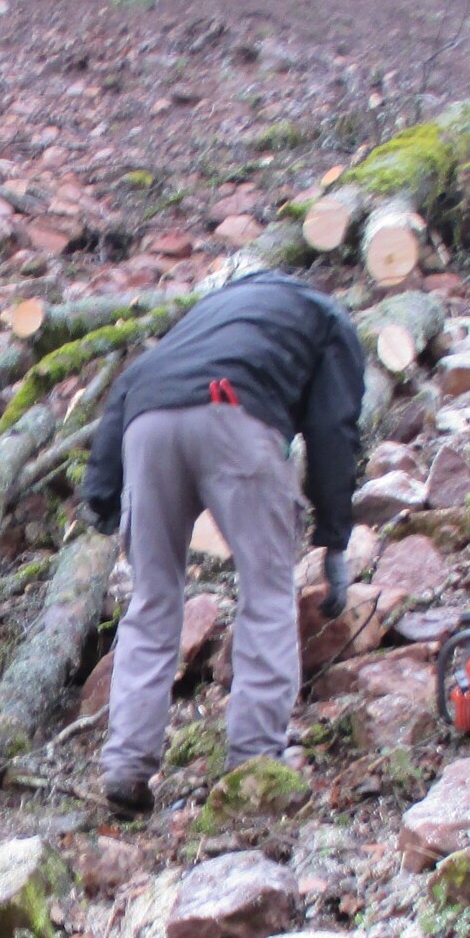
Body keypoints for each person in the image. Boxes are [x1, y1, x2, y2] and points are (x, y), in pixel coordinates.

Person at [80, 269, 367, 816]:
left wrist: (101, 490)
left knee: (152, 601)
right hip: (235, 418)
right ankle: (253, 763)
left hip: (148, 428)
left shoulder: (203, 316)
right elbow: (333, 429)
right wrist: (334, 539)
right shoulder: (327, 318)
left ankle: (126, 769)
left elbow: (134, 379)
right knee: (267, 594)